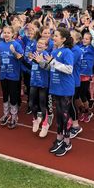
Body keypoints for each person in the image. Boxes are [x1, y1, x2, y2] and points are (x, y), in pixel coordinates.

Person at [38, 28, 75, 157]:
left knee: (65, 117)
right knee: (59, 116)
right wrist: (41, 62)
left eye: (57, 36)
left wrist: (53, 62)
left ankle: (67, 142)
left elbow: (69, 69)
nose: (54, 38)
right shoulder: (54, 51)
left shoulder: (67, 52)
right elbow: (50, 67)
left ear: (63, 39)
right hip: (56, 87)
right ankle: (59, 139)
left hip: (65, 89)